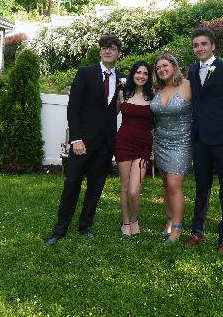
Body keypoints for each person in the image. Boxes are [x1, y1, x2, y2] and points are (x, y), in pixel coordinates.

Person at [46, 35, 124, 246]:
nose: (107, 51)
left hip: (106, 143)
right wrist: (76, 139)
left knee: (96, 187)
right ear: (100, 51)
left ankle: (85, 225)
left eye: (112, 48)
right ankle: (60, 229)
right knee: (72, 184)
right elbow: (73, 108)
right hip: (83, 143)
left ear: (119, 53)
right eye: (104, 47)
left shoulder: (122, 78)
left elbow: (115, 109)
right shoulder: (85, 73)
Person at [185, 26, 223, 254]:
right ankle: (197, 232)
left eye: (204, 44)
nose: (199, 48)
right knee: (202, 187)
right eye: (196, 45)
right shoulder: (192, 70)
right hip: (200, 139)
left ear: (212, 46)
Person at [150, 53, 192, 245]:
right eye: (158, 68)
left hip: (182, 143)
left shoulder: (187, 85)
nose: (161, 70)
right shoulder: (156, 89)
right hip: (161, 142)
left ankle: (177, 228)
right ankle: (169, 219)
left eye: (165, 65)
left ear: (174, 66)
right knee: (166, 184)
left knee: (174, 185)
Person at [114, 61, 154, 236]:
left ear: (149, 77)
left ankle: (134, 219)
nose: (141, 76)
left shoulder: (153, 96)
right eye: (138, 72)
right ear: (133, 74)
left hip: (143, 145)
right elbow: (110, 113)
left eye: (145, 73)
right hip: (123, 143)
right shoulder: (123, 93)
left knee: (134, 189)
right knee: (124, 186)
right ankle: (125, 221)